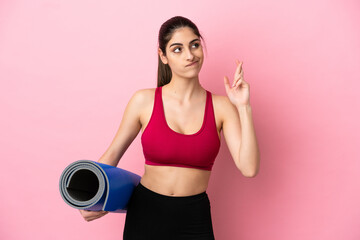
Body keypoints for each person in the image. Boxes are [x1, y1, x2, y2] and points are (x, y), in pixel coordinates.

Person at [79, 16, 260, 239]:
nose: (189, 55)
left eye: (195, 45)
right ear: (163, 56)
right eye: (177, 49)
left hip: (195, 217)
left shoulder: (222, 107)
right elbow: (112, 155)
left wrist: (244, 107)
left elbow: (249, 168)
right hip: (145, 213)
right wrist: (90, 198)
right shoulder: (143, 101)